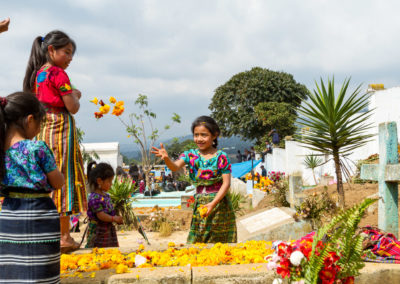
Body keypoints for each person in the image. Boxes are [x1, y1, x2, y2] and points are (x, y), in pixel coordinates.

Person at [23, 30, 87, 252]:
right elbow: (72, 107)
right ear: (51, 50)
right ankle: (64, 237)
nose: (70, 58)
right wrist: (76, 94)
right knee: (62, 177)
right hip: (60, 126)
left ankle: (46, 234)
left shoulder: (37, 75)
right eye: (67, 52)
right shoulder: (58, 74)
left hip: (43, 127)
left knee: (44, 176)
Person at [0, 92, 64, 283]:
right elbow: (58, 182)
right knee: (42, 271)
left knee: (12, 270)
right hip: (40, 218)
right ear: (29, 120)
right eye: (39, 124)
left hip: (9, 217)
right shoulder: (37, 149)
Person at [151, 115, 237, 243]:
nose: (199, 139)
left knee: (220, 240)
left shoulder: (221, 157)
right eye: (196, 135)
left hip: (219, 204)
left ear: (214, 135)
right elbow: (174, 167)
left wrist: (213, 204)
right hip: (200, 202)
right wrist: (166, 158)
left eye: (204, 135)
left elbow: (226, 184)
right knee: (199, 239)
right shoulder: (190, 155)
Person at [85, 162, 123, 248]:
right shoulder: (95, 198)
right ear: (99, 181)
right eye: (109, 181)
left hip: (108, 230)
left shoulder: (106, 196)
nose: (111, 184)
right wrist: (114, 218)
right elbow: (101, 215)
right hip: (99, 232)